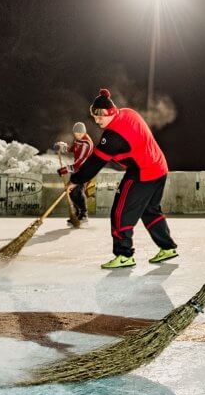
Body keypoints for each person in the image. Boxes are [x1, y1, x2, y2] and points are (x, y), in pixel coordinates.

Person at [68, 89, 179, 269]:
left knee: (120, 212)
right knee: (150, 209)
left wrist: (75, 180)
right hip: (159, 166)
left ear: (110, 112)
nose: (97, 121)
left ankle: (124, 254)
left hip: (142, 172)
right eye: (94, 117)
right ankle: (167, 248)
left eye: (100, 117)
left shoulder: (113, 136)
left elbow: (95, 162)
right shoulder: (128, 112)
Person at [55, 122, 94, 225]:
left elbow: (80, 163)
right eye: (75, 133)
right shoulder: (78, 140)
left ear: (84, 132)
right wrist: (62, 147)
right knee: (71, 192)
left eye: (79, 133)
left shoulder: (86, 144)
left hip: (84, 171)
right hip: (77, 170)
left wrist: (65, 170)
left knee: (77, 191)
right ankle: (77, 214)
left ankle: (84, 215)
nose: (77, 135)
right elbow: (73, 149)